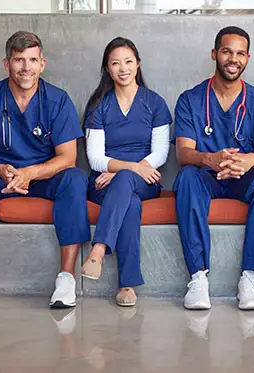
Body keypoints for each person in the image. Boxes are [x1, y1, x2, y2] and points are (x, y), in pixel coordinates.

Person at [0, 31, 90, 309]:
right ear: (6, 63)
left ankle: (66, 277)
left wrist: (30, 173)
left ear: (42, 64)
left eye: (32, 60)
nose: (26, 67)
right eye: (18, 60)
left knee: (74, 178)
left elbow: (68, 158)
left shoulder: (58, 100)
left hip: (41, 178)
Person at [173, 26, 254, 311]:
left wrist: (249, 160)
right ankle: (198, 276)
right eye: (226, 51)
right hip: (206, 176)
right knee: (186, 177)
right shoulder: (191, 99)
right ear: (215, 54)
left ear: (248, 58)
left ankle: (250, 278)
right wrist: (210, 159)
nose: (233, 59)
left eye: (240, 53)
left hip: (244, 178)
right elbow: (184, 152)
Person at [81, 37, 172, 307]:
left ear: (138, 65)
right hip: (105, 182)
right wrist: (128, 168)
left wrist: (125, 171)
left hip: (146, 180)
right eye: (116, 63)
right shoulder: (99, 106)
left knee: (127, 185)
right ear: (107, 69)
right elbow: (95, 158)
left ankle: (98, 249)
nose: (123, 68)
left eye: (129, 61)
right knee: (129, 204)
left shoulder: (154, 103)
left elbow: (160, 154)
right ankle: (127, 286)